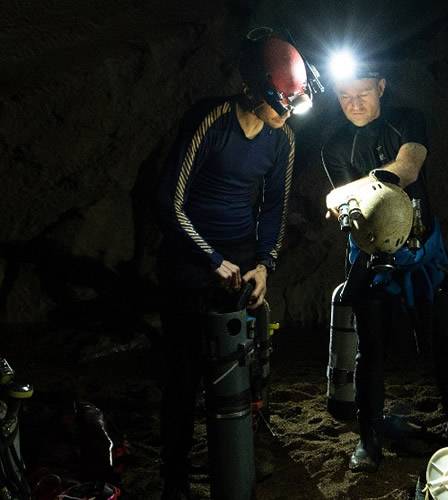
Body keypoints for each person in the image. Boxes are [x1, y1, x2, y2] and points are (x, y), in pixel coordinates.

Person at [155, 28, 313, 499]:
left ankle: (242, 453)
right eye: (280, 103)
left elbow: (273, 209)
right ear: (254, 88)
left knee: (248, 365)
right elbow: (169, 201)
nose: (285, 115)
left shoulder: (282, 141)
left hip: (242, 259)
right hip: (191, 256)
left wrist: (264, 265)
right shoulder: (212, 119)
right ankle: (175, 477)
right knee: (184, 374)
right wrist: (211, 259)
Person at [321, 63, 448, 472]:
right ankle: (368, 438)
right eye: (344, 96)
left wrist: (368, 184)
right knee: (370, 350)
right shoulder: (335, 145)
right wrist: (343, 198)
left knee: (447, 343)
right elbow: (334, 198)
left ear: (381, 86)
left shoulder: (407, 120)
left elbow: (409, 165)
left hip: (423, 250)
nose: (354, 103)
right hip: (370, 256)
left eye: (364, 93)